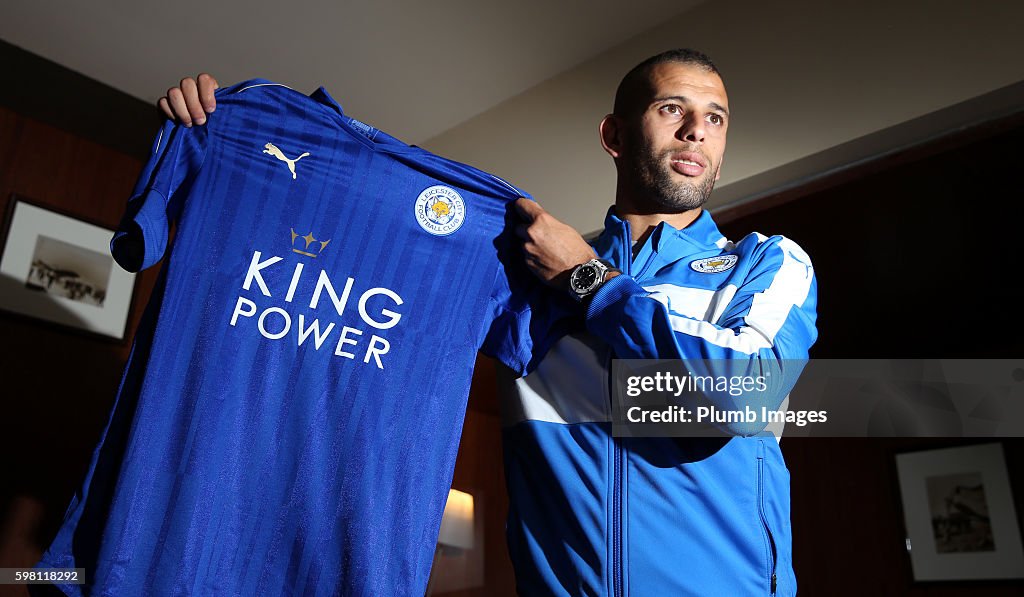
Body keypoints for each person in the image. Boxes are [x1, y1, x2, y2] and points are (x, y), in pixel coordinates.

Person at [158, 48, 817, 596]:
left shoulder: (765, 264)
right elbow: (354, 257)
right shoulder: (520, 278)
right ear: (614, 135)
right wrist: (236, 136)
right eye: (672, 109)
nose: (696, 131)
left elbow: (739, 392)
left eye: (715, 118)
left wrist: (588, 282)